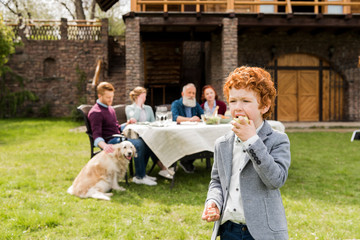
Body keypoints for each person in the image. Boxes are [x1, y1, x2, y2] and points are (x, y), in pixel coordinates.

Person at [201, 66, 291, 240]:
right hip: (229, 229)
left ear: (264, 106)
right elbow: (217, 181)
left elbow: (275, 180)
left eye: (246, 101)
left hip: (262, 231)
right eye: (233, 101)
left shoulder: (278, 139)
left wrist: (252, 141)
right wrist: (213, 202)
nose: (238, 107)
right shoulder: (222, 143)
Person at [88, 82, 157, 186]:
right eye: (108, 97)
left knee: (145, 141)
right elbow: (96, 136)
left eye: (112, 97)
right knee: (138, 144)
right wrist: (105, 146)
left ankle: (142, 174)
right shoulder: (96, 112)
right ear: (99, 96)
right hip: (110, 141)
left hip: (117, 137)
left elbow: (117, 128)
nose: (111, 100)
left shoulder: (110, 108)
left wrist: (127, 124)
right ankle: (139, 177)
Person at [125, 86, 174, 180]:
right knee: (147, 143)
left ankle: (164, 168)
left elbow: (153, 122)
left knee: (155, 142)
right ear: (137, 97)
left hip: (147, 133)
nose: (144, 99)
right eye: (142, 97)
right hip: (135, 135)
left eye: (145, 97)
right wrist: (138, 106)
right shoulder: (129, 108)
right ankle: (163, 168)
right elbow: (133, 119)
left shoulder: (148, 108)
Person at [171, 83, 204, 173]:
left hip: (195, 132)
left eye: (193, 93)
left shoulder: (195, 104)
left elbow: (203, 115)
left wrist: (201, 118)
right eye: (189, 93)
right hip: (180, 133)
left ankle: (187, 161)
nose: (191, 95)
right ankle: (185, 161)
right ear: (183, 94)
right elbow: (175, 118)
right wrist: (191, 119)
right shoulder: (176, 103)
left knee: (203, 139)